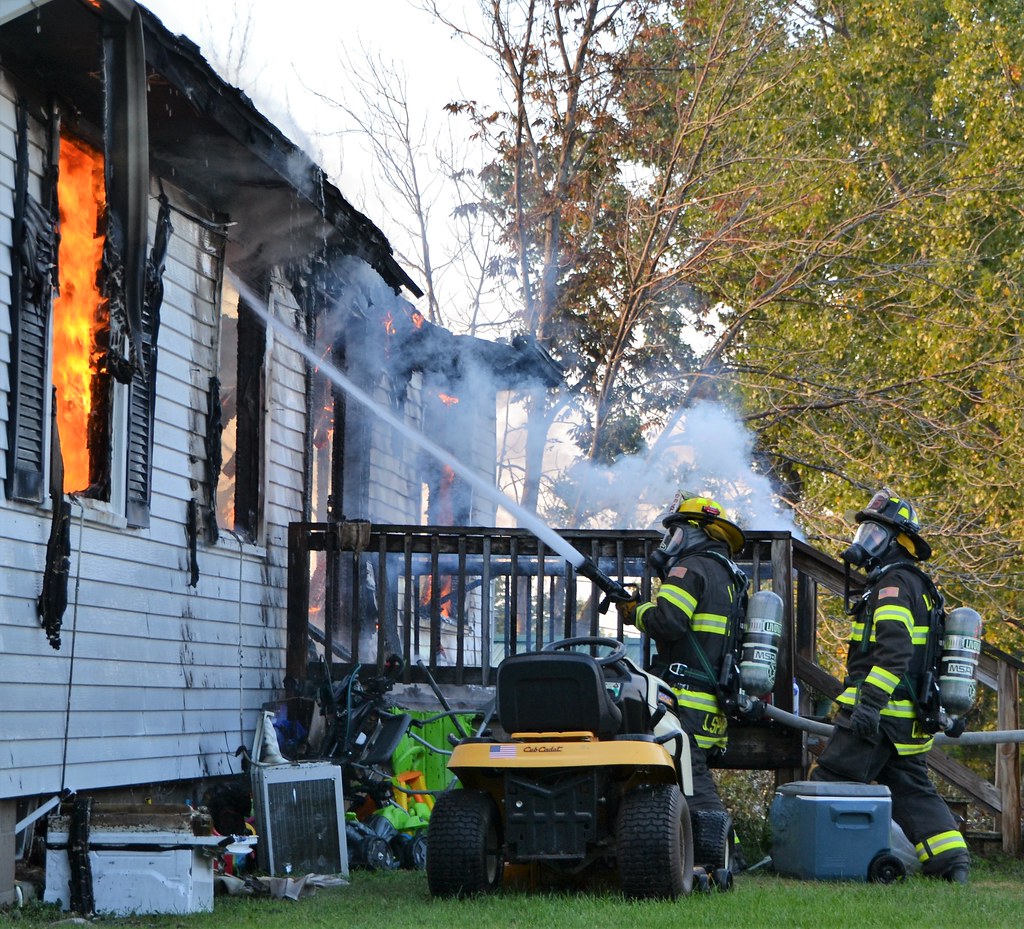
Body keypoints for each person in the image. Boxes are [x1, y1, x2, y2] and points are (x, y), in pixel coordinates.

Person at [811, 489, 971, 884]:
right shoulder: (914, 584)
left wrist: (868, 705)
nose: (864, 541)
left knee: (828, 780)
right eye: (865, 531)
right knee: (913, 790)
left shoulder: (894, 584)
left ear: (899, 542)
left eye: (875, 534)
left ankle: (828, 861)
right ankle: (952, 863)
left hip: (881, 714)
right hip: (908, 719)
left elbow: (895, 651)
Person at [617, 495, 747, 828]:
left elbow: (668, 623)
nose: (669, 542)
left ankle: (723, 853)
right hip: (711, 704)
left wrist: (635, 611)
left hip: (684, 700)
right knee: (685, 778)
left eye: (674, 533)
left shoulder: (688, 568)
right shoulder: (728, 575)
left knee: (694, 785)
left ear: (695, 532)